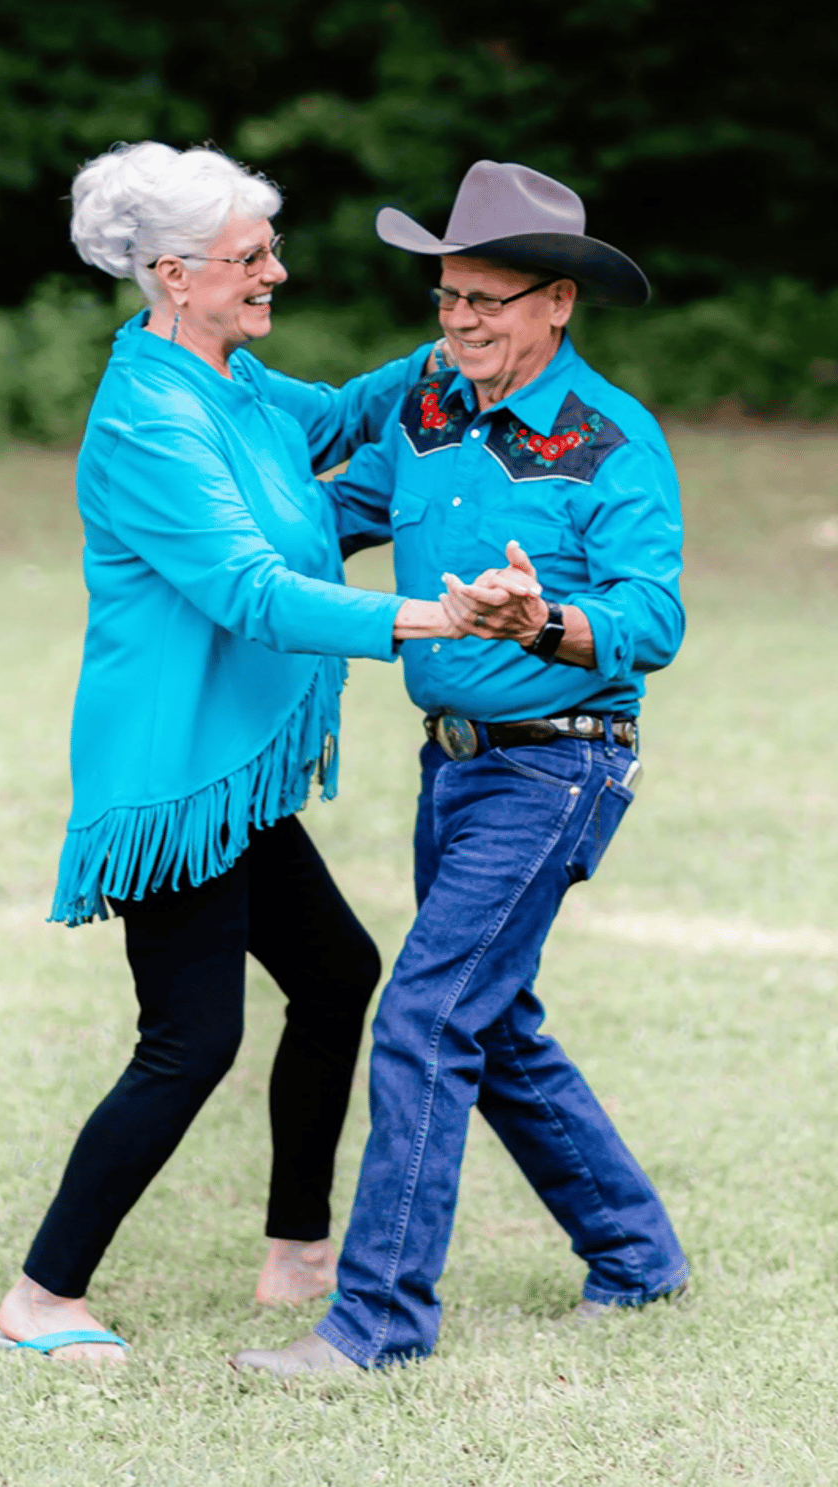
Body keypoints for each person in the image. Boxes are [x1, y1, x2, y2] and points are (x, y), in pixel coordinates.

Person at [0, 142, 465, 1363]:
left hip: (232, 767)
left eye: (269, 250)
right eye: (251, 257)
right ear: (170, 273)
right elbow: (250, 591)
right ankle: (42, 1294)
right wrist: (427, 616)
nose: (275, 273)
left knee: (337, 969)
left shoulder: (230, 382)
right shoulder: (148, 416)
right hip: (171, 776)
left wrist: (467, 329)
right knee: (190, 1038)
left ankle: (298, 1244)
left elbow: (347, 416)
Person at [233, 160, 690, 1376]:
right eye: (447, 297)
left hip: (559, 766)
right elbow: (338, 511)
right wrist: (212, 549)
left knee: (429, 1012)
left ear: (557, 304)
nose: (460, 321)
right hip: (451, 768)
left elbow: (651, 618)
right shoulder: (430, 402)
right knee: (497, 1021)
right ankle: (637, 1255)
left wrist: (541, 621)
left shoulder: (612, 441)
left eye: (488, 299)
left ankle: (378, 1324)